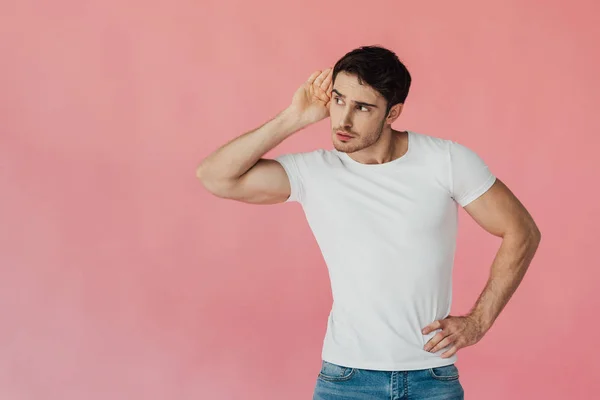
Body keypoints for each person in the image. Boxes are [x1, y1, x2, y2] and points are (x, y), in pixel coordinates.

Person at [196, 45, 541, 400]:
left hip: (431, 378)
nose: (343, 120)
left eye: (362, 107)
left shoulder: (446, 161)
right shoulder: (314, 172)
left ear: (393, 112)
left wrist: (478, 322)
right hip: (347, 379)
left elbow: (521, 231)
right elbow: (215, 177)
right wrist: (294, 117)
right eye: (339, 100)